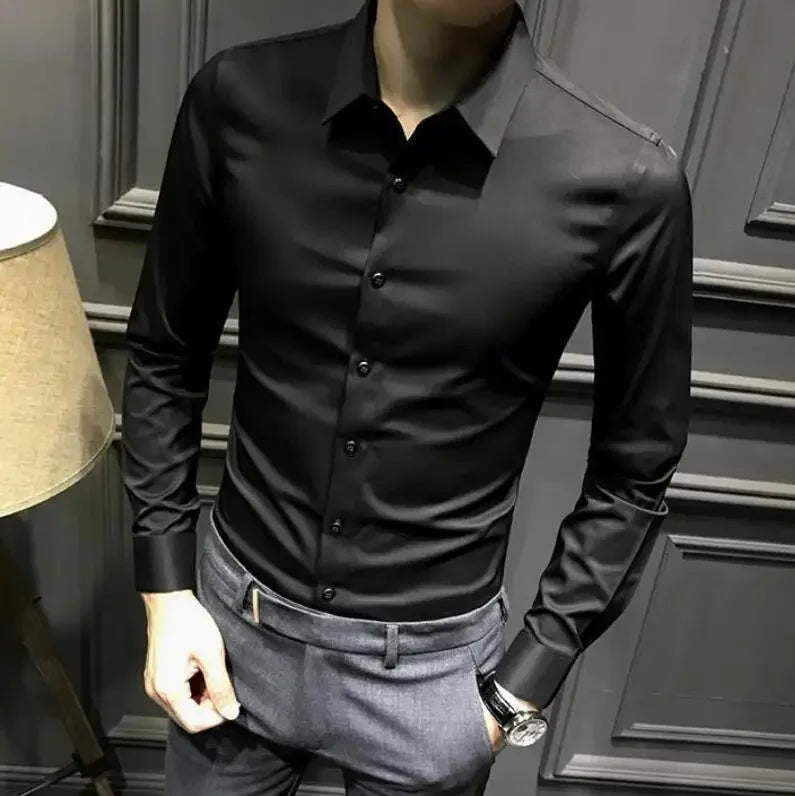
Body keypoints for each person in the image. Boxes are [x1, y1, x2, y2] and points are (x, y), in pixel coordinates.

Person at [120, 0, 693, 793]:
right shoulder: (236, 97)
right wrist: (166, 592)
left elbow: (635, 470)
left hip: (432, 686)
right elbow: (166, 350)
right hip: (226, 639)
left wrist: (519, 687)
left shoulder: (625, 179)